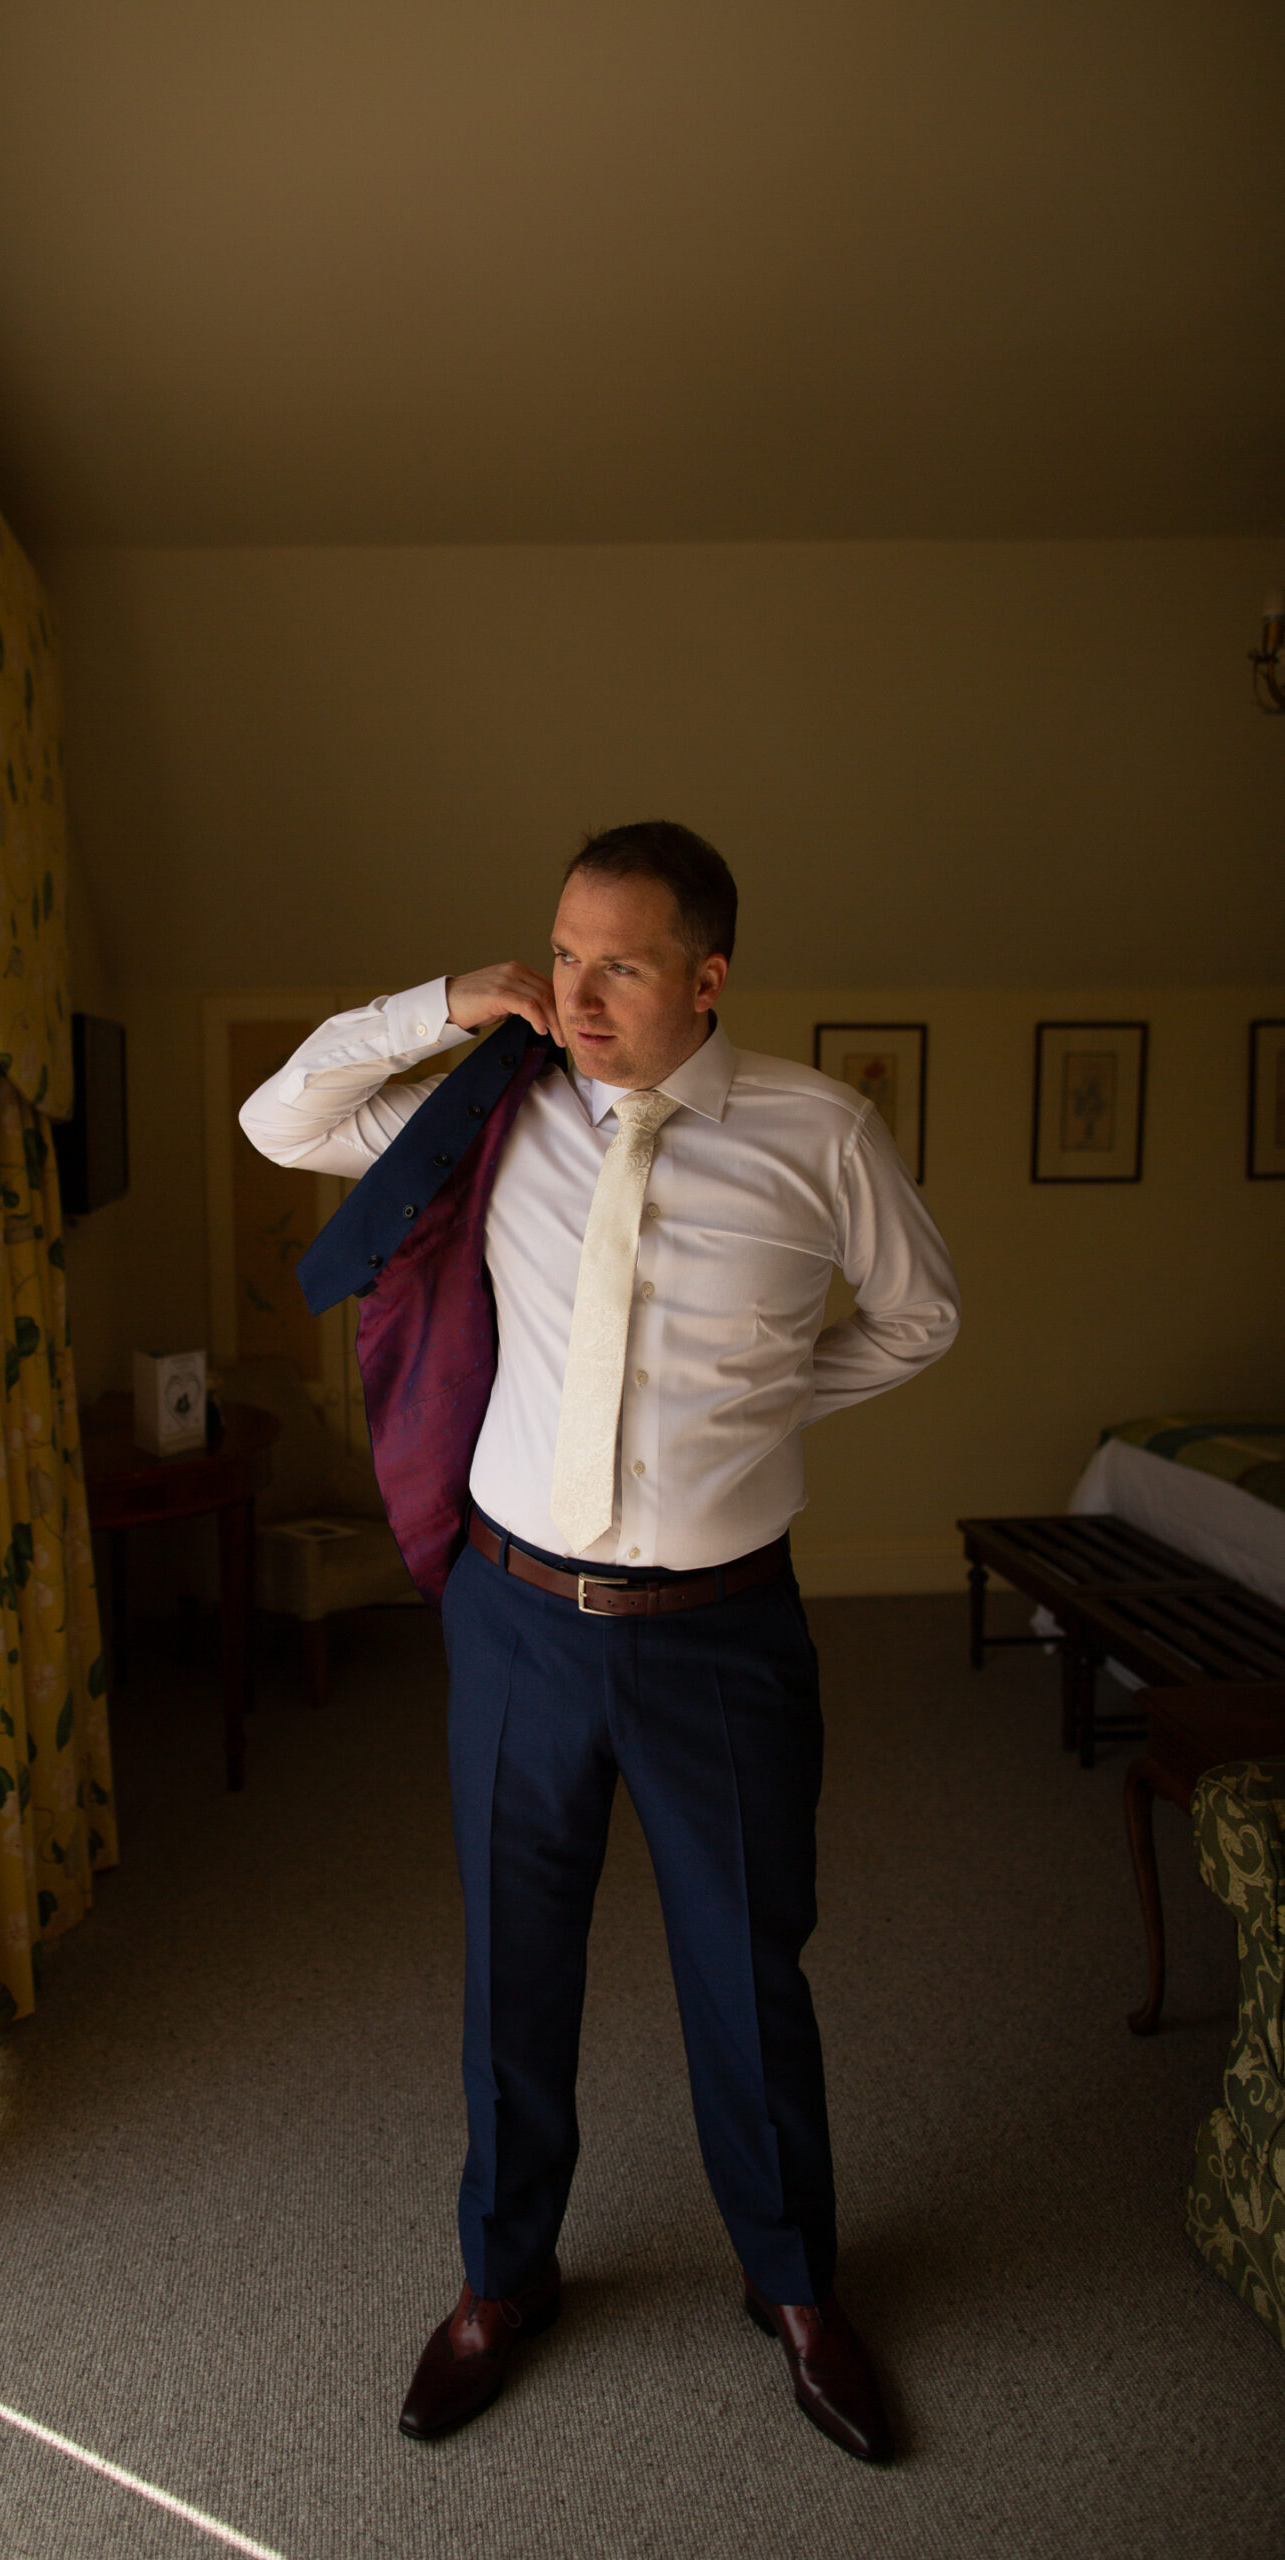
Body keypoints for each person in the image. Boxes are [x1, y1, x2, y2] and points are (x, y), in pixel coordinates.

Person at [239, 821, 959, 2462]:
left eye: (618, 964)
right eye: (563, 953)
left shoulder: (818, 1133)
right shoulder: (492, 1108)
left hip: (723, 1638)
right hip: (517, 1625)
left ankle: (793, 2286)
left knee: (748, 1969)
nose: (579, 991)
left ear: (706, 979)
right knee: (516, 1969)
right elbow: (279, 1120)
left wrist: (774, 1400)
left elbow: (921, 1313)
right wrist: (451, 996)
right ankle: (502, 2281)